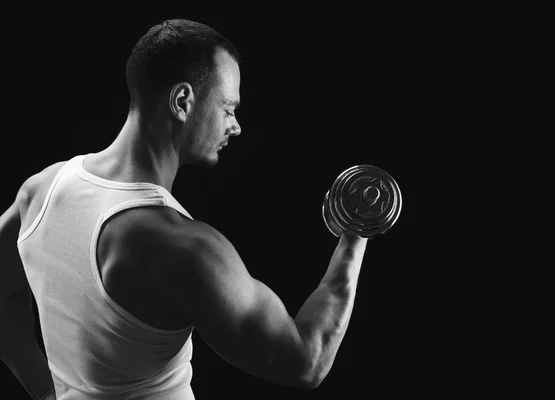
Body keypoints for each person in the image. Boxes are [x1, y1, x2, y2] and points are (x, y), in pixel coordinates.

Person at [0, 19, 368, 399]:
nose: (236, 126)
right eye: (228, 109)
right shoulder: (181, 247)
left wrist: (45, 393)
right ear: (182, 102)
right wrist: (357, 232)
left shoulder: (41, 190)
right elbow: (307, 361)